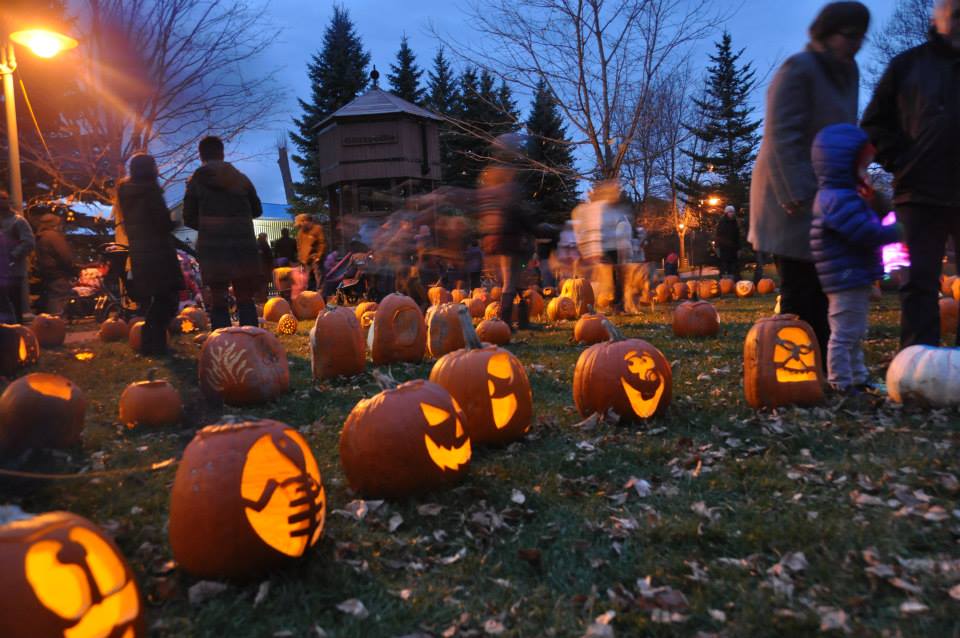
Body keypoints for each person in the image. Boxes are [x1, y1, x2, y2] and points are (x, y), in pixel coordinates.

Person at [748, 1, 870, 360]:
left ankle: (826, 360)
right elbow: (781, 136)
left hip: (829, 192)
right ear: (825, 33)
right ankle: (799, 363)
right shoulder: (797, 70)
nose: (856, 44)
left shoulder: (849, 73)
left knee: (826, 281)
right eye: (849, 36)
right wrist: (801, 195)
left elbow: (845, 131)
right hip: (788, 194)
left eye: (861, 37)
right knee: (802, 282)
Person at [862, 0, 960, 347]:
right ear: (940, 15)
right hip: (919, 193)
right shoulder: (907, 66)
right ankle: (920, 361)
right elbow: (874, 122)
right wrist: (903, 160)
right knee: (919, 282)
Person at [810, 124, 903, 394]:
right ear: (844, 165)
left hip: (851, 273)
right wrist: (893, 231)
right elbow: (862, 232)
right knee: (845, 333)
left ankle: (858, 377)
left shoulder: (844, 196)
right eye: (861, 165)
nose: (865, 172)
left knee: (855, 331)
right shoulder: (837, 199)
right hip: (844, 276)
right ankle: (841, 380)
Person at [183, 135, 262, 329]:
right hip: (242, 245)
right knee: (245, 295)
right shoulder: (241, 179)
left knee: (218, 297)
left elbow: (189, 217)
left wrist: (210, 227)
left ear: (201, 156)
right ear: (222, 153)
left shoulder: (196, 182)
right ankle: (252, 341)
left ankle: (221, 346)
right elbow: (257, 209)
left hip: (213, 248)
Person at [116, 153, 184, 355]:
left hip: (141, 254)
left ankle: (153, 343)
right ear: (150, 169)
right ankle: (151, 341)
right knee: (168, 299)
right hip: (159, 253)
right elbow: (161, 223)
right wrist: (176, 221)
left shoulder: (126, 193)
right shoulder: (150, 190)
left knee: (157, 299)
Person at [476, 162, 538, 329]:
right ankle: (505, 323)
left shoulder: (489, 196)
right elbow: (518, 216)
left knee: (516, 281)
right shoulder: (508, 194)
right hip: (508, 243)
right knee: (510, 282)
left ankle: (523, 321)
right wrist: (534, 228)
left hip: (494, 244)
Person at [0, 190, 35, 323]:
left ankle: (18, 334)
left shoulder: (17, 221)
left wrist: (11, 257)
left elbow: (28, 242)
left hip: (12, 271)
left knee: (14, 304)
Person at [32, 210, 75, 315]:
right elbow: (65, 256)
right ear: (55, 224)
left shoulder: (40, 236)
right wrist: (73, 269)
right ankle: (56, 325)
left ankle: (50, 325)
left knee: (52, 299)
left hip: (48, 275)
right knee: (59, 301)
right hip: (59, 274)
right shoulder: (53, 237)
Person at [294, 214, 326, 292]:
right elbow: (299, 246)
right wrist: (301, 259)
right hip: (306, 261)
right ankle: (310, 299)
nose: (299, 226)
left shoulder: (317, 229)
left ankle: (320, 299)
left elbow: (322, 243)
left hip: (315, 260)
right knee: (308, 282)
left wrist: (319, 256)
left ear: (305, 221)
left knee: (319, 281)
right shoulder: (300, 233)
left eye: (300, 224)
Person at [715, 205, 741, 278]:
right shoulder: (722, 222)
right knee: (724, 266)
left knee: (733, 266)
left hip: (733, 248)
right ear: (726, 213)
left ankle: (733, 281)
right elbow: (718, 235)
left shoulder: (735, 222)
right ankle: (724, 281)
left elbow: (737, 236)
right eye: (730, 212)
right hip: (724, 248)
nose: (732, 213)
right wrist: (717, 247)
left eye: (733, 212)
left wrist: (739, 248)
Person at [256, 232, 273, 303]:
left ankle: (259, 298)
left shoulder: (255, 244)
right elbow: (270, 256)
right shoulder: (265, 244)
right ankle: (263, 299)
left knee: (258, 284)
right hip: (264, 269)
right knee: (264, 284)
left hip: (256, 269)